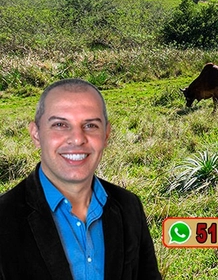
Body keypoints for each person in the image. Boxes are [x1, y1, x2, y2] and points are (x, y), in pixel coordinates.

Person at [0, 78, 162, 280]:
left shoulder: (129, 206)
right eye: (60, 124)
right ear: (36, 134)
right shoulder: (4, 218)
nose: (77, 139)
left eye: (90, 125)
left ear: (106, 135)